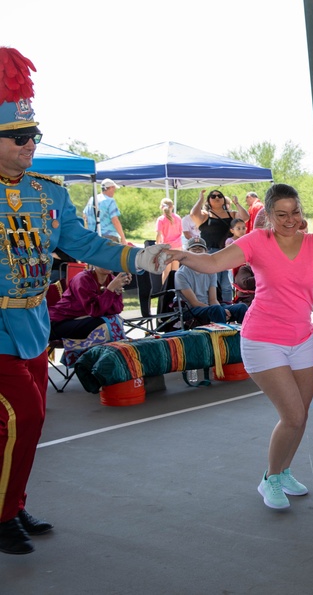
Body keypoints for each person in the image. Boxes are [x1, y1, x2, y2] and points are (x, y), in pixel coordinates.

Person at [0, 46, 167, 555]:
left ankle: (13, 499)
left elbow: (87, 245)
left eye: (34, 135)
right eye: (20, 137)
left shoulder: (48, 194)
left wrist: (141, 257)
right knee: (20, 416)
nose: (32, 144)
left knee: (33, 420)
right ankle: (2, 514)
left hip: (33, 325)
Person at [168, 183, 313, 509]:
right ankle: (270, 479)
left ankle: (284, 470)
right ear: (269, 215)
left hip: (301, 339)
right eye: (281, 214)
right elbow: (213, 263)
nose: (290, 220)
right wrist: (181, 255)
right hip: (262, 340)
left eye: (295, 213)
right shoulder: (257, 242)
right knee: (291, 415)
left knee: (301, 416)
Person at [48, 265, 129, 365]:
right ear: (92, 262)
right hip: (60, 322)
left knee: (115, 320)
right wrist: (111, 289)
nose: (106, 262)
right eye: (101, 260)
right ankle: (94, 364)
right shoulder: (82, 279)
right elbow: (95, 310)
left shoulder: (112, 279)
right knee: (102, 324)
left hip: (85, 320)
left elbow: (117, 309)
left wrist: (115, 290)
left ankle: (113, 362)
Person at [189, 189, 249, 303]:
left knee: (226, 284)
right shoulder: (205, 215)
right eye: (213, 196)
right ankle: (213, 307)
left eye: (219, 196)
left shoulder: (231, 214)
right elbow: (193, 214)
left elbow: (245, 217)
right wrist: (201, 199)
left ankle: (226, 308)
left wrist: (236, 203)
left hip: (227, 252)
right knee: (212, 283)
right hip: (210, 253)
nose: (217, 198)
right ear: (209, 200)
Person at [174, 237, 248, 325]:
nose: (197, 252)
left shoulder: (210, 270)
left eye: (200, 249)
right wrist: (221, 310)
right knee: (216, 310)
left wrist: (222, 309)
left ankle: (241, 337)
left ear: (206, 252)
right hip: (191, 309)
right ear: (187, 252)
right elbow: (194, 302)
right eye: (193, 249)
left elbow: (213, 299)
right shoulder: (181, 274)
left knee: (241, 307)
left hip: (210, 307)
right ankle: (221, 337)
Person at [83, 178, 127, 244]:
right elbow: (115, 221)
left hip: (93, 236)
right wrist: (123, 238)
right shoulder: (110, 201)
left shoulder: (92, 199)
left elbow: (84, 216)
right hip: (109, 236)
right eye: (114, 189)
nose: (114, 191)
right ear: (111, 188)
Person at [156, 197, 183, 283]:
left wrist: (157, 244)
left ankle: (164, 293)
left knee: (166, 272)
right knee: (175, 271)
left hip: (166, 248)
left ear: (161, 207)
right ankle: (175, 291)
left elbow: (159, 234)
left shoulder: (161, 219)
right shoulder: (178, 218)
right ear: (172, 207)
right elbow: (180, 232)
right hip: (178, 247)